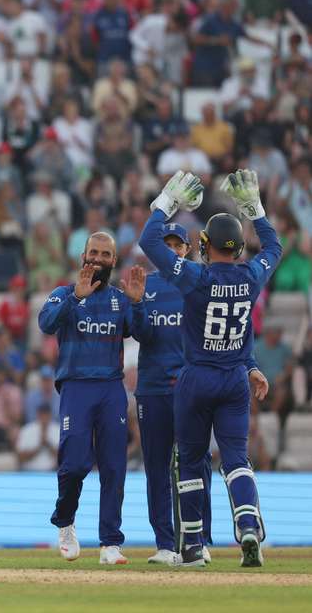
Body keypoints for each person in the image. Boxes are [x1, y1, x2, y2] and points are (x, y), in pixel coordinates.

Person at [138, 168, 282, 567]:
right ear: (237, 247)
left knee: (189, 458)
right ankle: (249, 527)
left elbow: (148, 240)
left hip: (196, 377)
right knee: (236, 459)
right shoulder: (252, 276)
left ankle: (193, 546)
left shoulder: (195, 278)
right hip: (235, 379)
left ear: (206, 244)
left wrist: (167, 200)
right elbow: (273, 246)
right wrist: (254, 209)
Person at [38, 230, 148, 565]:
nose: (97, 259)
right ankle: (66, 521)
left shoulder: (118, 298)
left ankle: (110, 543)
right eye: (93, 253)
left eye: (104, 254)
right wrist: (75, 297)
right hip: (76, 388)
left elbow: (143, 333)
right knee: (74, 464)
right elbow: (45, 323)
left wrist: (138, 303)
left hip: (111, 388)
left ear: (114, 260)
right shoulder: (64, 294)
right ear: (82, 256)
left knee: (114, 466)